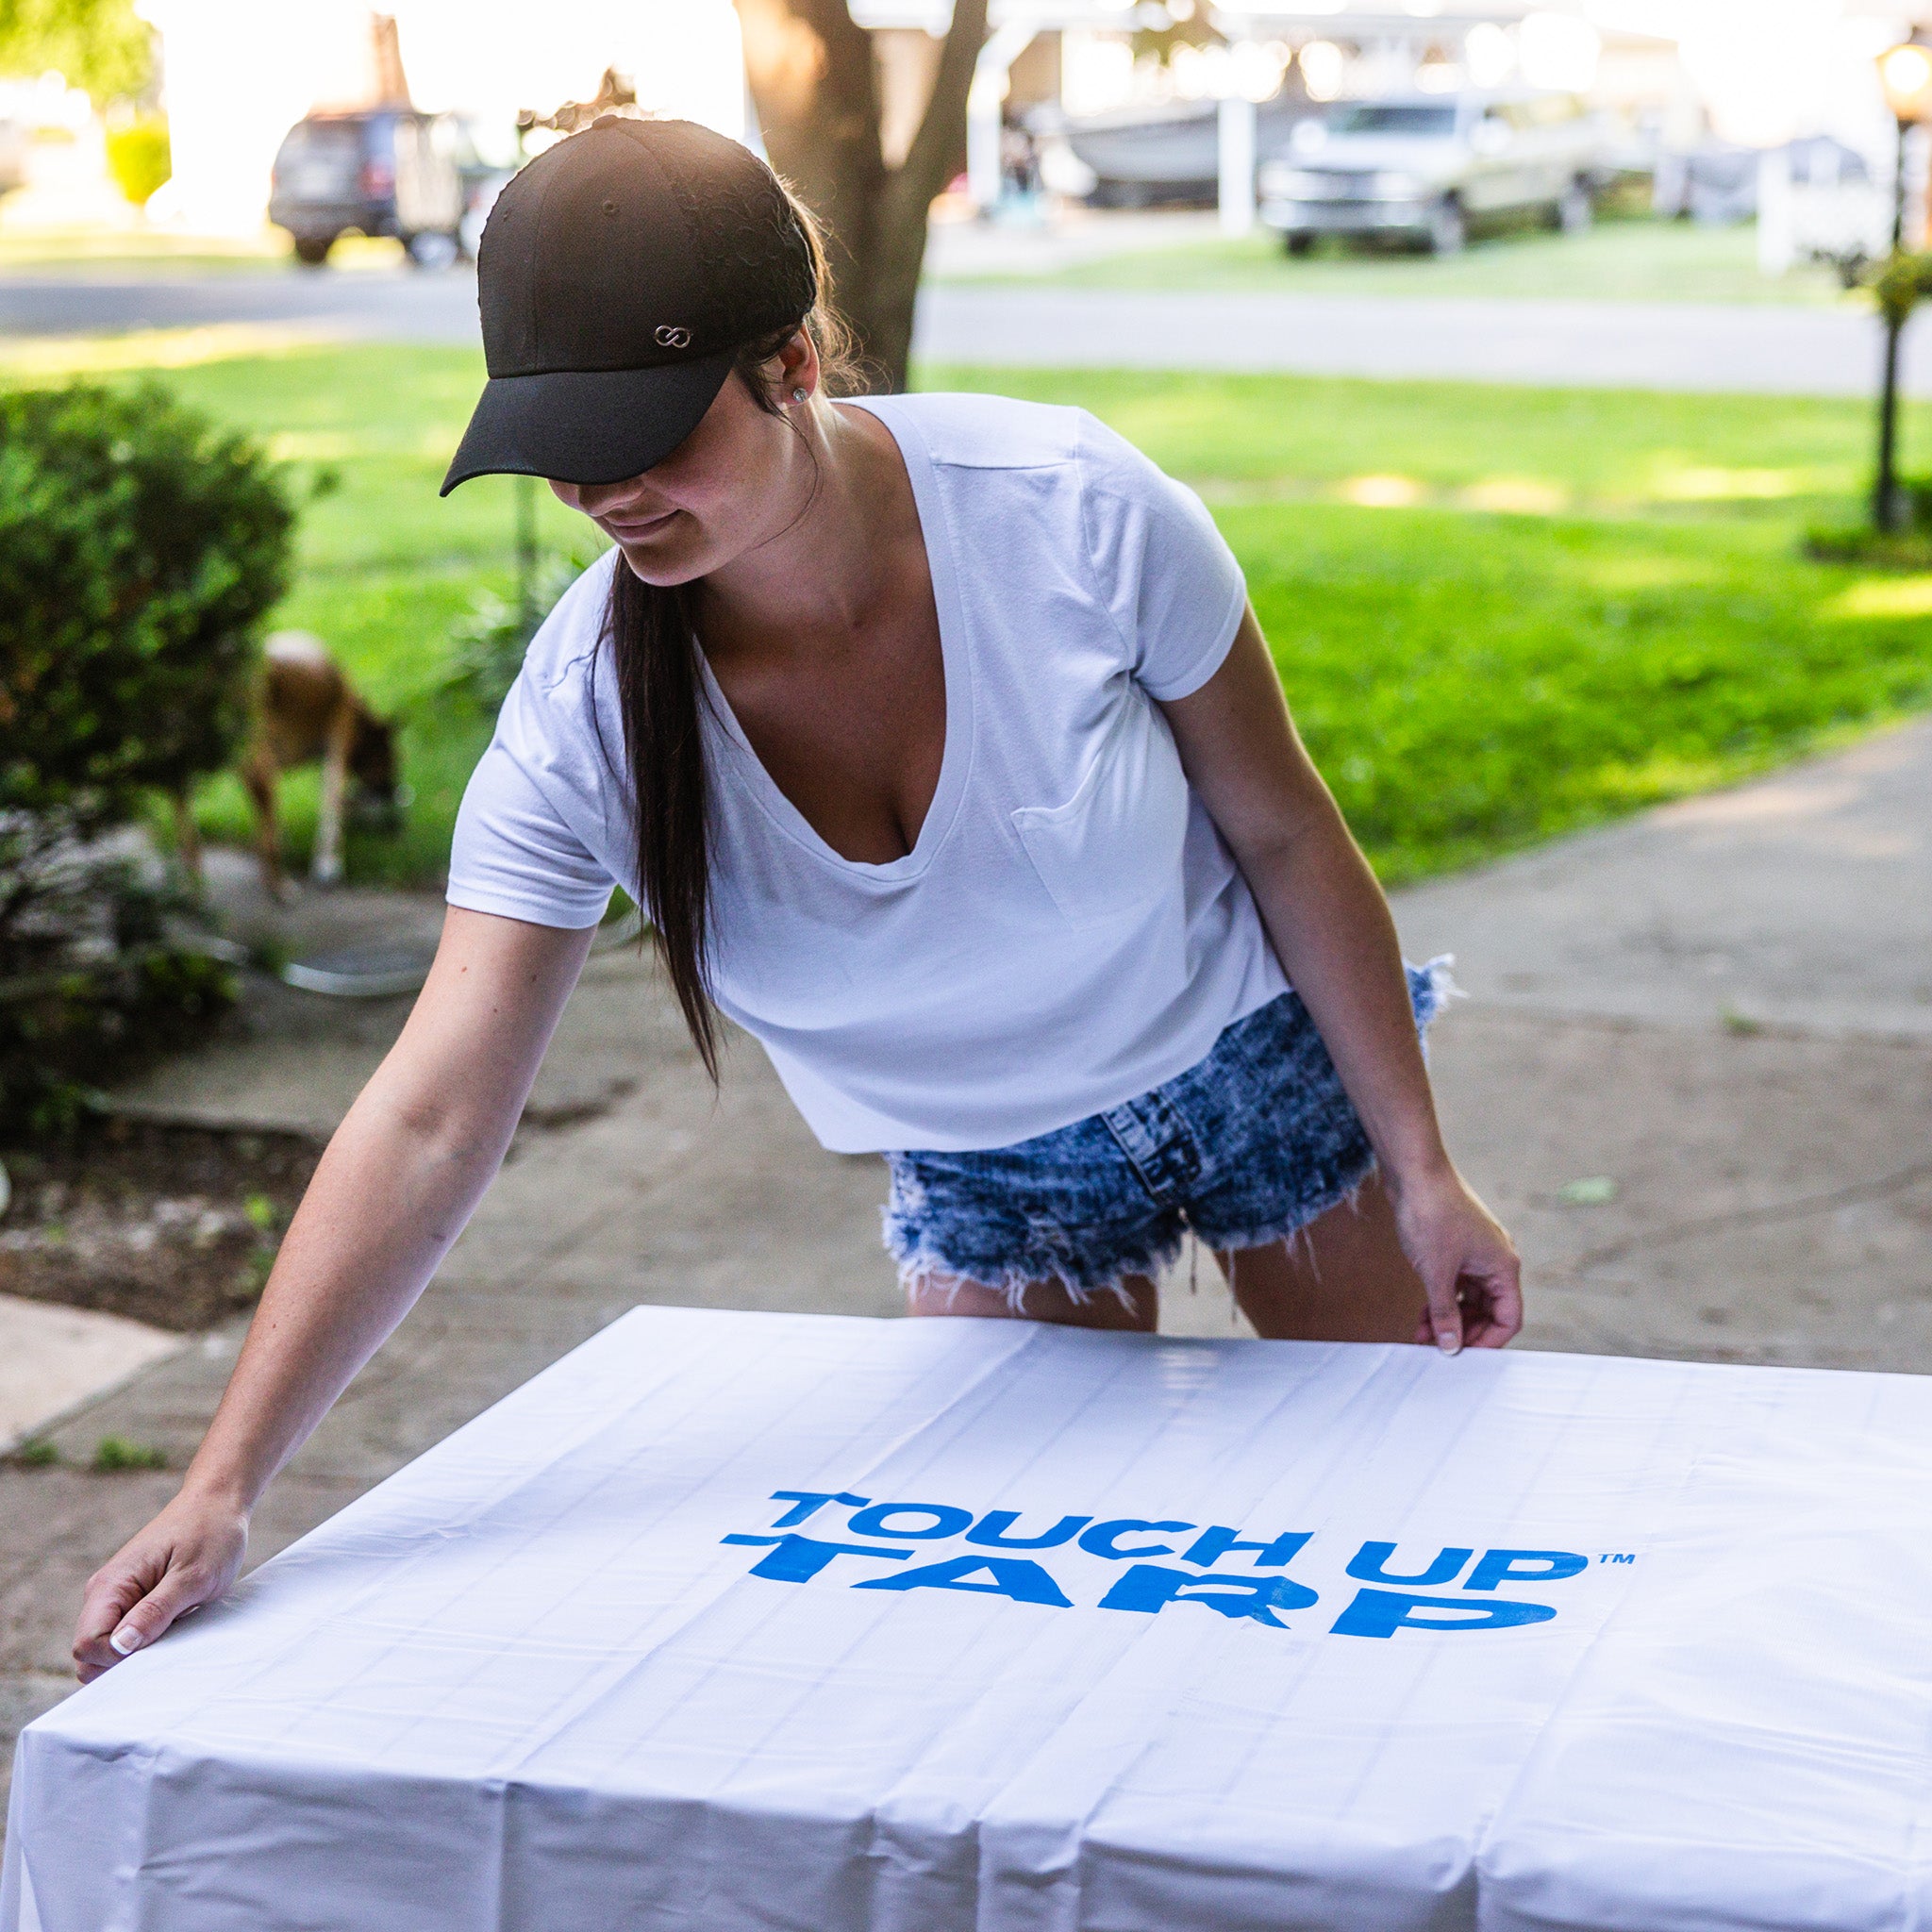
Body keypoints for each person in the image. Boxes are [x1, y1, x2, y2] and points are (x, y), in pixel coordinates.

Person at [73, 118, 1520, 1682]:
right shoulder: (584, 726)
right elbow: (431, 1113)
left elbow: (1286, 832)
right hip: (990, 1172)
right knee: (1031, 1653)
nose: (602, 488)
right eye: (563, 437)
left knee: (1423, 1551)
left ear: (795, 362)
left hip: (1254, 1071)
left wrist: (1423, 1166)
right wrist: (222, 1487)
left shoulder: (1075, 511)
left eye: (643, 426)